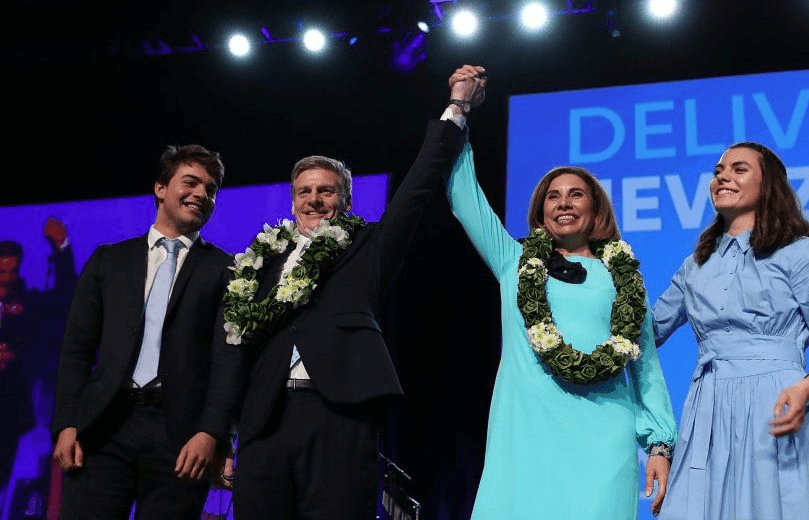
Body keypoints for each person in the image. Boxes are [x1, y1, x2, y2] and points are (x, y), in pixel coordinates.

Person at [220, 68, 481, 520]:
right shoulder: (260, 262)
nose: (315, 199)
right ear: (293, 200)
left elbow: (418, 185)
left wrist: (456, 108)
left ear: (345, 200)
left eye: (327, 191)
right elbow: (234, 350)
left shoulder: (368, 246)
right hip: (264, 418)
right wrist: (223, 433)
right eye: (305, 191)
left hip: (338, 411)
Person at [445, 65, 677, 520]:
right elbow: (463, 196)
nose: (564, 203)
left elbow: (646, 367)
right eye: (553, 196)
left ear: (595, 210)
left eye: (575, 195)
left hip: (604, 435)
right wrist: (459, 109)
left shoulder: (624, 278)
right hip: (526, 434)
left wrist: (659, 444)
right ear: (541, 209)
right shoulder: (514, 262)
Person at [652, 142, 809, 520]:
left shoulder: (801, 253)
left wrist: (808, 387)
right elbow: (643, 337)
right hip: (709, 415)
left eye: (739, 169)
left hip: (778, 407)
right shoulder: (695, 264)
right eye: (718, 171)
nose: (723, 176)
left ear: (767, 185)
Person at [52, 144, 242, 519]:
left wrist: (212, 434)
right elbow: (77, 350)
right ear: (160, 188)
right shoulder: (109, 260)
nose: (201, 194)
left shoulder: (228, 271)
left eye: (211, 188)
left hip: (182, 439)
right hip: (103, 429)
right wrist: (66, 423)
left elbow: (229, 363)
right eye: (191, 182)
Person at [0, 221, 75, 510]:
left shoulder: (25, 302)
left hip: (8, 413)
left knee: (5, 481)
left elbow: (64, 298)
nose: (6, 279)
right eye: (0, 272)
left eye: (11, 272)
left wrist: (61, 248)